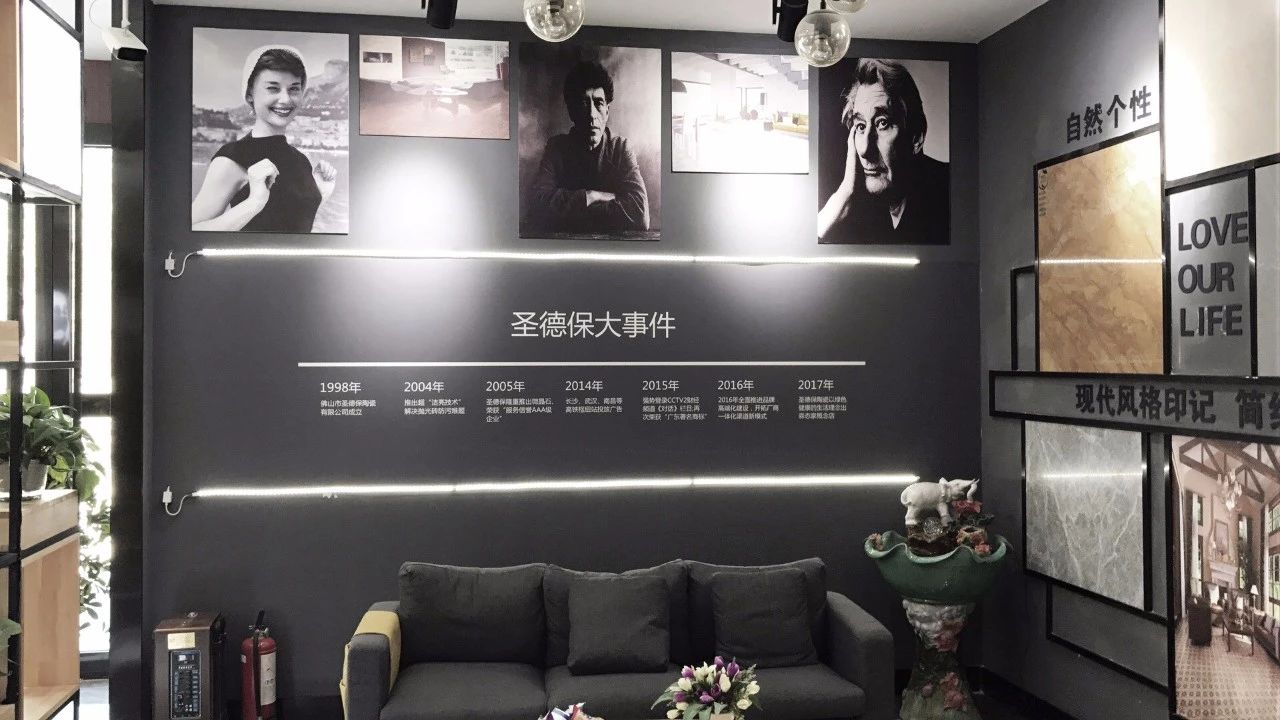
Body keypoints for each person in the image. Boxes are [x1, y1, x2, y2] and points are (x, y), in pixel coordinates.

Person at [192, 45, 338, 233]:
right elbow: (192, 231)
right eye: (273, 88)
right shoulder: (231, 158)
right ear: (250, 94)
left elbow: (292, 225)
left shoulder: (302, 160)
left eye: (294, 89)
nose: (285, 99)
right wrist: (254, 203)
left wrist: (319, 194)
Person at [818, 58, 949, 245]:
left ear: (916, 136)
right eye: (861, 126)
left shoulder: (950, 193)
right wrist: (844, 193)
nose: (865, 149)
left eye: (882, 123)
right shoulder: (867, 205)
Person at [527, 60, 649, 235]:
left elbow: (640, 214)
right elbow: (537, 206)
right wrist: (591, 196)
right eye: (584, 103)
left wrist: (572, 212)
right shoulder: (557, 148)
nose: (592, 114)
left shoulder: (621, 149)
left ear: (607, 111)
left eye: (598, 103)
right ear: (572, 111)